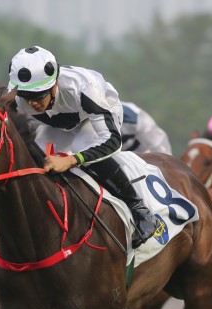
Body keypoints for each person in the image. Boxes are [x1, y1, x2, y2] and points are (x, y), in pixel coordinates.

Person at [8, 45, 159, 248]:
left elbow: (113, 141)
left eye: (40, 95)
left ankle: (138, 208)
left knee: (82, 146)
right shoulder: (15, 96)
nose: (33, 103)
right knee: (37, 158)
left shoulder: (85, 88)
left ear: (55, 84)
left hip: (95, 118)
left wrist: (71, 160)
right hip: (59, 123)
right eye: (27, 96)